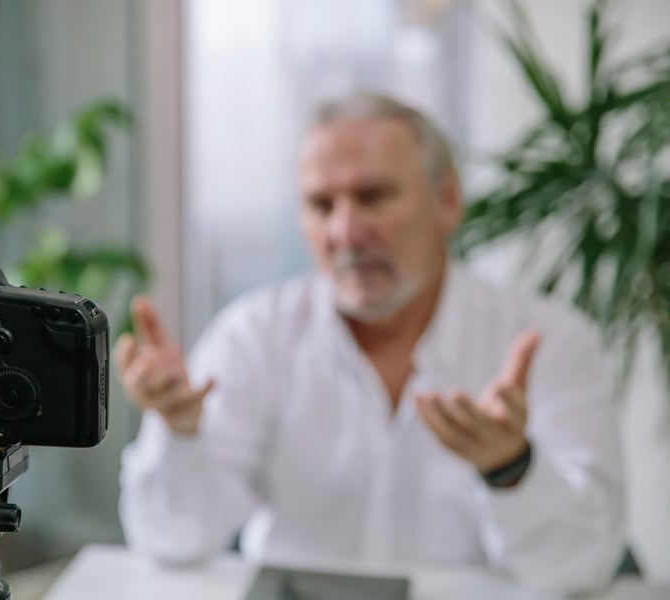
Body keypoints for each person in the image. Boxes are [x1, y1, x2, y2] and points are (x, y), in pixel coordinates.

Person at [115, 92, 626, 593]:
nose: (346, 231)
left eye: (373, 197)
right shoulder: (254, 336)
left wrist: (510, 466)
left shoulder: (550, 342)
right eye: (321, 204)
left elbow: (582, 570)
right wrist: (178, 431)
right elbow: (169, 541)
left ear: (447, 202)